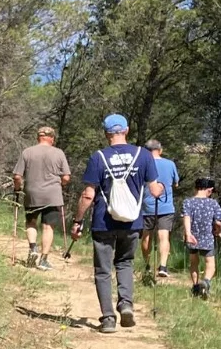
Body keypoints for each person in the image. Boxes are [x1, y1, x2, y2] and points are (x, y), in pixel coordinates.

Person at [70, 114, 164, 333]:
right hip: (132, 222)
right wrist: (160, 190)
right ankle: (126, 304)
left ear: (106, 133)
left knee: (102, 270)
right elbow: (154, 188)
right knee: (125, 263)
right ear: (127, 130)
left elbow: (88, 194)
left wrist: (78, 221)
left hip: (104, 222)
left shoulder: (98, 157)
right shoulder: (143, 155)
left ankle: (108, 318)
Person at [11, 125, 71, 270]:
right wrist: (60, 185)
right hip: (52, 194)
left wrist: (18, 189)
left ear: (38, 137)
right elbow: (66, 177)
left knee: (31, 222)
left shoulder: (27, 152)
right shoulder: (58, 153)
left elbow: (17, 176)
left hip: (32, 193)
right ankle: (43, 260)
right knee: (48, 226)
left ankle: (33, 249)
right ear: (52, 138)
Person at [139, 139, 180, 282]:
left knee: (146, 236)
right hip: (166, 206)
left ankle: (147, 264)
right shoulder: (170, 164)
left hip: (146, 205)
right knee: (164, 236)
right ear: (160, 150)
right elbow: (176, 183)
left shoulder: (143, 164)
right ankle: (162, 266)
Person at [182, 177, 221, 299]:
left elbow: (186, 217)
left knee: (194, 262)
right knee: (210, 264)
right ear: (209, 190)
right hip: (207, 237)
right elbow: (218, 222)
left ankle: (195, 286)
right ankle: (205, 282)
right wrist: (218, 230)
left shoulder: (188, 202)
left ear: (195, 188)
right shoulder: (212, 203)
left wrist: (188, 233)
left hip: (192, 237)